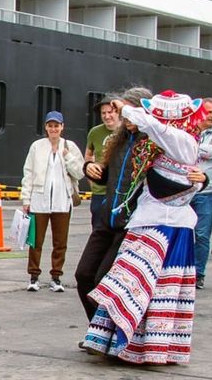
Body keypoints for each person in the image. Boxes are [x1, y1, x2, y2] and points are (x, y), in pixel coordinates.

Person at [82, 92, 204, 364]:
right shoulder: (146, 144)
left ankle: (149, 348)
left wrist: (202, 181)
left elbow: (157, 130)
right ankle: (115, 342)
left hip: (170, 228)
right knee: (127, 284)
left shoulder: (182, 141)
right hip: (142, 222)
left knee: (155, 290)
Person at [74, 87, 152, 319]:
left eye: (128, 112)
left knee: (104, 281)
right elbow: (108, 175)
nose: (123, 118)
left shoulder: (152, 143)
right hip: (106, 218)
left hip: (131, 225)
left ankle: (110, 335)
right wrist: (89, 167)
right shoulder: (118, 141)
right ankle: (97, 330)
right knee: (84, 275)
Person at [19, 111, 83, 293]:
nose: (53, 129)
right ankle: (34, 276)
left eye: (57, 125)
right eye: (50, 125)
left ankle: (56, 276)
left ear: (62, 127)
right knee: (36, 241)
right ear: (46, 127)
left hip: (63, 200)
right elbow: (28, 173)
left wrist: (67, 157)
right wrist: (26, 199)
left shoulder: (70, 147)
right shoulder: (37, 147)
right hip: (40, 199)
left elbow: (80, 172)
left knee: (60, 241)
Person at [191, 98, 212, 289]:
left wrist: (191, 146)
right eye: (209, 111)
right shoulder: (189, 130)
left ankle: (198, 274)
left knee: (202, 235)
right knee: (181, 234)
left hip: (206, 192)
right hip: (184, 190)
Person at [85, 96, 119, 217]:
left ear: (118, 112)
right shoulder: (95, 132)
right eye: (103, 113)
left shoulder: (128, 131)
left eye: (110, 112)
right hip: (99, 192)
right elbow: (88, 156)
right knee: (98, 230)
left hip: (119, 192)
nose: (106, 116)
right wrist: (92, 181)